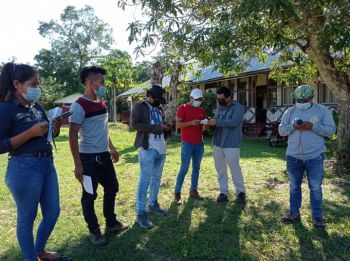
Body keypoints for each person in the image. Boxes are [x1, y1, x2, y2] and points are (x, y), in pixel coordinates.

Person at [0, 63, 62, 261]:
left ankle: (40, 251)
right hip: (23, 168)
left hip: (47, 165)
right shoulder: (5, 108)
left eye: (38, 84)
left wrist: (55, 127)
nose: (37, 88)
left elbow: (45, 135)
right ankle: (32, 258)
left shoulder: (37, 107)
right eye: (33, 84)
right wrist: (29, 133)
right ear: (17, 84)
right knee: (27, 218)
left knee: (52, 212)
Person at [69, 66, 128, 246]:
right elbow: (72, 136)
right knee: (89, 195)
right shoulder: (78, 105)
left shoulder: (101, 102)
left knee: (112, 188)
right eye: (101, 82)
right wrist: (78, 165)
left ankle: (111, 223)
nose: (103, 85)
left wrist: (112, 148)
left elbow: (103, 129)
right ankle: (94, 230)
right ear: (89, 82)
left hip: (103, 155)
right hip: (88, 158)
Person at [278, 85, 336, 228]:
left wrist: (313, 127)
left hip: (315, 156)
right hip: (293, 156)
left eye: (305, 100)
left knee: (315, 188)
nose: (301, 102)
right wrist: (293, 127)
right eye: (299, 100)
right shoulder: (290, 111)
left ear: (312, 97)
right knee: (294, 187)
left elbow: (331, 131)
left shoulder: (322, 110)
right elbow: (281, 131)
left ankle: (317, 217)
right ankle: (294, 213)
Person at [131, 84, 171, 229]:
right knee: (144, 181)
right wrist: (157, 128)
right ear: (150, 96)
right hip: (147, 148)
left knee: (156, 179)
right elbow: (134, 125)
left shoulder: (158, 107)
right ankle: (141, 212)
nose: (159, 102)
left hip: (161, 148)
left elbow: (159, 124)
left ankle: (153, 204)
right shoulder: (139, 106)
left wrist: (165, 127)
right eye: (157, 99)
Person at [208, 86, 247, 204]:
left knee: (234, 169)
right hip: (217, 143)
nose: (219, 101)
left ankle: (241, 193)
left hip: (231, 144)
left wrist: (217, 122)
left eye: (221, 99)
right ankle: (223, 192)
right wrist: (210, 123)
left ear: (229, 98)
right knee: (220, 169)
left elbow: (234, 122)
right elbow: (216, 120)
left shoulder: (238, 108)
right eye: (218, 98)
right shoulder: (219, 107)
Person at [174, 88, 206, 205]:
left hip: (199, 143)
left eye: (200, 99)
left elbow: (202, 124)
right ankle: (177, 193)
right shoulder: (183, 108)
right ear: (191, 98)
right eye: (197, 99)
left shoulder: (201, 109)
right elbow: (178, 125)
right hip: (187, 143)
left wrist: (205, 124)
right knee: (184, 168)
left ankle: (193, 190)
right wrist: (191, 123)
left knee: (196, 168)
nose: (199, 101)